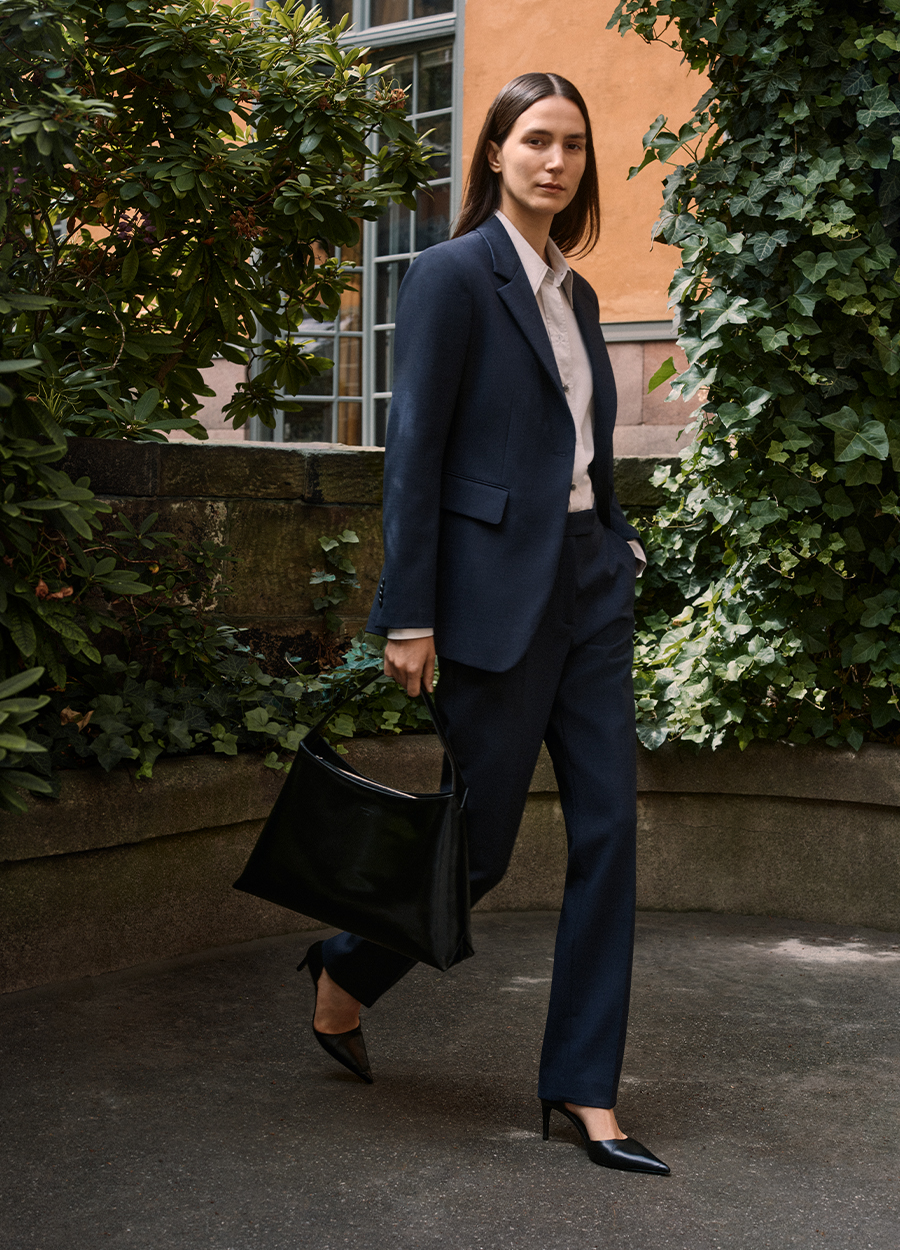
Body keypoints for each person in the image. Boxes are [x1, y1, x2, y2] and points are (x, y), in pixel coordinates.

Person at [297, 72, 669, 1176]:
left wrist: (613, 539)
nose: (556, 162)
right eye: (535, 141)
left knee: (609, 833)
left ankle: (584, 1091)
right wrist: (405, 611)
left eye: (573, 146)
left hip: (590, 587)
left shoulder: (582, 291)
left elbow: (582, 439)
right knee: (483, 847)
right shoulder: (453, 278)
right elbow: (413, 452)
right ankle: (350, 964)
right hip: (492, 599)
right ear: (495, 152)